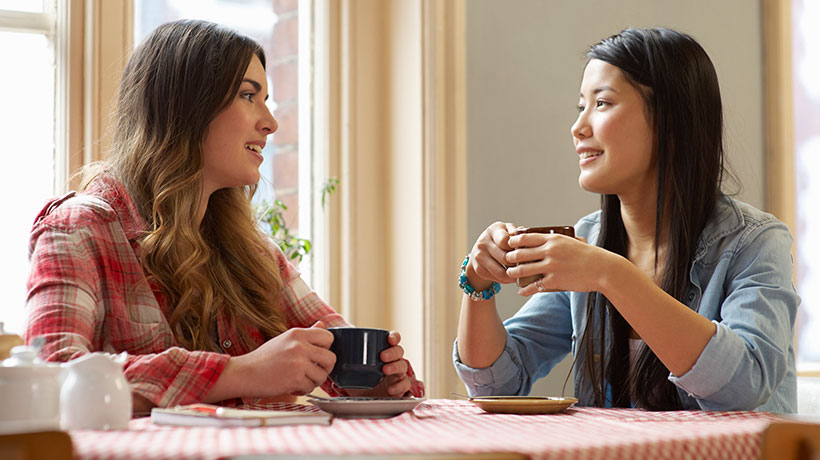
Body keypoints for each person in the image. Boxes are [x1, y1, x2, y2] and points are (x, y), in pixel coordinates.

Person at [24, 19, 423, 413]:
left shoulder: (253, 251)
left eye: (266, 99)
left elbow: (337, 345)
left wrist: (378, 381)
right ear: (186, 106)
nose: (270, 122)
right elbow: (50, 378)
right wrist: (240, 373)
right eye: (249, 96)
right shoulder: (77, 229)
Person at [453, 27, 798, 412]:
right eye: (580, 106)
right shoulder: (589, 241)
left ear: (670, 119)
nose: (578, 127)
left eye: (601, 104)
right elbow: (499, 383)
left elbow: (744, 386)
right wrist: (478, 286)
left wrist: (612, 276)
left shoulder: (754, 243)